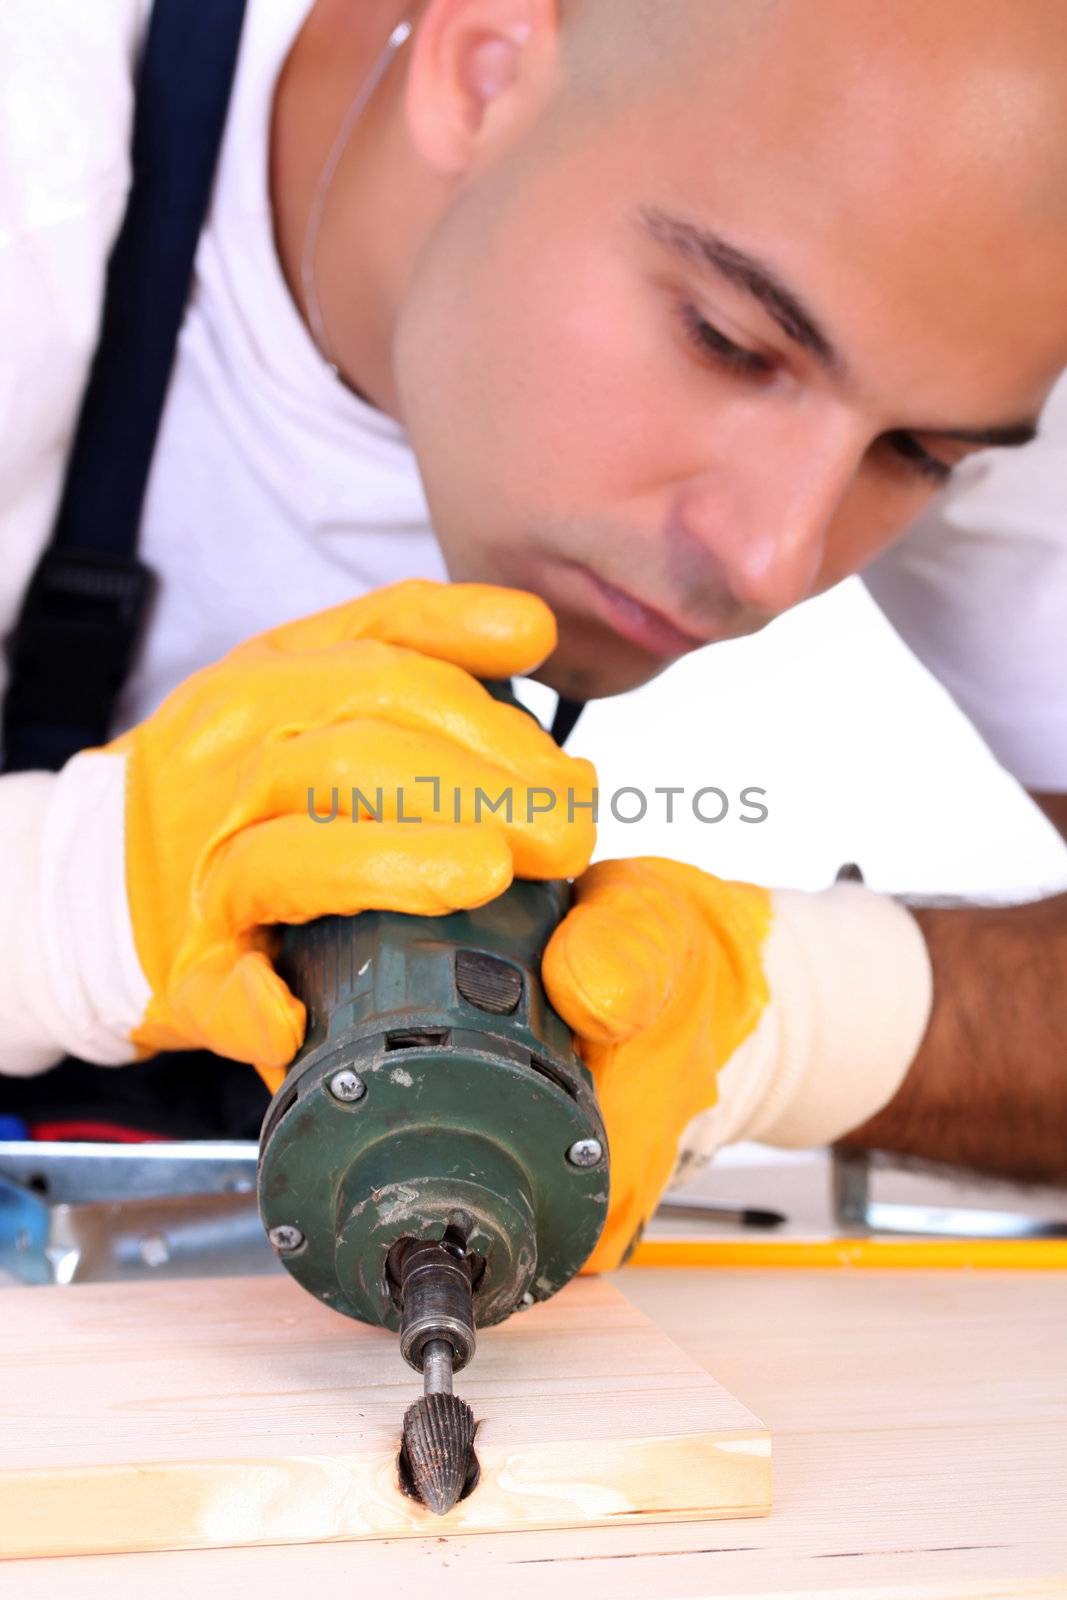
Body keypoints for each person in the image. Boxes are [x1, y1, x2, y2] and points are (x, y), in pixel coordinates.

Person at [1, 0, 1065, 1270]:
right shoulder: (36, 154)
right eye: (726, 341)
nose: (774, 560)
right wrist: (59, 904)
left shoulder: (971, 297)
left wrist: (803, 1017)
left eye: (916, 455)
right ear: (484, 68)